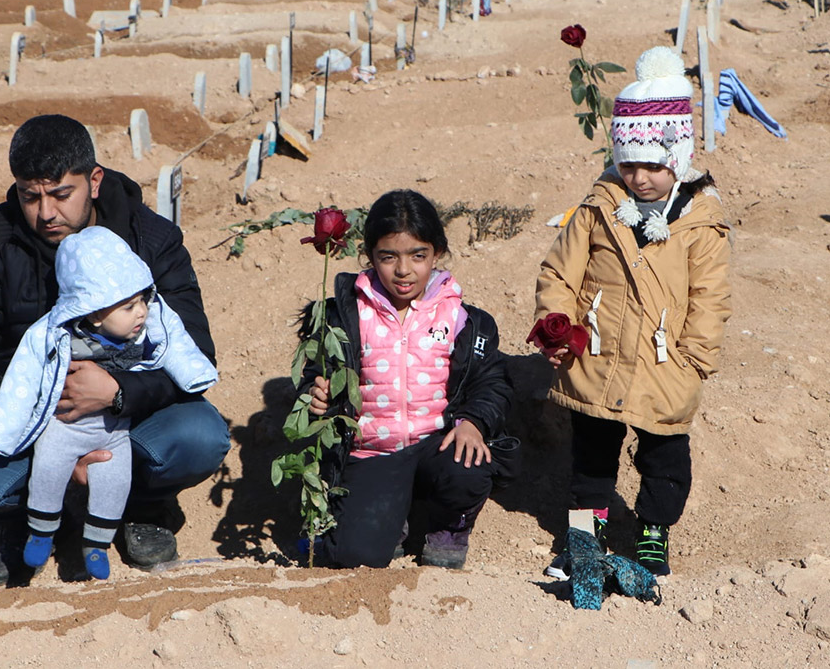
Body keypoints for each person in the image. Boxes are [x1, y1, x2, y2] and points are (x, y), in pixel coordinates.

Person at [0, 114, 230, 584]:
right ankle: (30, 518)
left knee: (200, 436)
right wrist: (45, 417)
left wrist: (118, 392)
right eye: (30, 196)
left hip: (129, 416)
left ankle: (141, 507)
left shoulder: (149, 239)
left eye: (60, 194)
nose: (45, 212)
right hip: (32, 410)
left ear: (94, 181)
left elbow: (193, 349)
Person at [533, 47, 732, 577]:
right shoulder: (599, 208)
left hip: (666, 365)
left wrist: (695, 360)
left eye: (653, 165)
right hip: (598, 358)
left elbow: (711, 297)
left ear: (678, 158)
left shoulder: (700, 222)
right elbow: (560, 273)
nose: (640, 177)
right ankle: (585, 540)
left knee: (665, 461)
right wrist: (558, 326)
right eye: (628, 164)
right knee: (591, 460)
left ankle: (652, 534)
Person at [0, 227, 218, 580]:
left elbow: (178, 346)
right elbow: (22, 381)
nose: (141, 312)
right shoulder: (54, 334)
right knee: (47, 469)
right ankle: (41, 532)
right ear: (94, 314)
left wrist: (190, 374)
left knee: (113, 481)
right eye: (128, 306)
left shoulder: (150, 325)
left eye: (142, 301)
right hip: (62, 427)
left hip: (115, 432)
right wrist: (5, 434)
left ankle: (97, 545)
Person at [301, 189, 513, 570]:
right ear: (370, 256)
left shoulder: (462, 319)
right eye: (388, 257)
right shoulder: (345, 316)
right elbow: (315, 377)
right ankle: (391, 519)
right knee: (355, 558)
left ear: (437, 253)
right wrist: (316, 396)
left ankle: (450, 524)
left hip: (437, 446)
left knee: (468, 466)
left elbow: (491, 383)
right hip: (373, 454)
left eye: (418, 256)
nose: (403, 270)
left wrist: (473, 423)